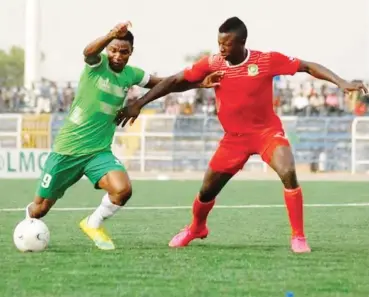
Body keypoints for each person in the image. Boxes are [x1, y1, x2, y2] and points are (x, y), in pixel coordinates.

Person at [115, 17, 367, 253]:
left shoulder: (267, 60)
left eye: (227, 44)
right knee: (206, 192)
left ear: (241, 43)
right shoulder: (213, 63)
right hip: (233, 139)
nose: (221, 48)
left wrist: (341, 82)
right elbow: (174, 81)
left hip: (267, 133)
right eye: (219, 43)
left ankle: (298, 236)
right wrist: (141, 102)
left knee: (288, 172)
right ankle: (196, 227)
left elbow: (308, 66)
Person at [24, 22, 222, 250]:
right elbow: (88, 52)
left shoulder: (131, 74)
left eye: (124, 51)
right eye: (113, 50)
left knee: (122, 190)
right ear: (108, 49)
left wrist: (199, 83)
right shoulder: (96, 66)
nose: (117, 56)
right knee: (39, 209)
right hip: (66, 151)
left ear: (131, 52)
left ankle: (93, 223)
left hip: (98, 153)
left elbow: (167, 84)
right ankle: (26, 229)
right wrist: (110, 35)